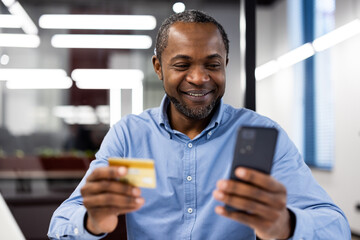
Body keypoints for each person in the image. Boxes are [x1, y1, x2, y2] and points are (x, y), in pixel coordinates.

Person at [48, 10, 351, 240]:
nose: (199, 77)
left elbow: (334, 226)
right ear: (158, 67)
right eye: (182, 65)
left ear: (226, 64)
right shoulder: (130, 136)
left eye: (212, 64)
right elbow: (61, 224)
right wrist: (92, 221)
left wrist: (285, 225)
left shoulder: (261, 135)